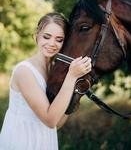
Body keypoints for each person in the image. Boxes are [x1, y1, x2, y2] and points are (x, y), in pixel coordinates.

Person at [0, 12, 92, 150]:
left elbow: (57, 123)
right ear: (36, 36)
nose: (52, 44)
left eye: (59, 39)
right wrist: (72, 77)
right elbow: (50, 120)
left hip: (45, 140)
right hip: (21, 140)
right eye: (46, 37)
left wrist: (77, 88)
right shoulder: (24, 71)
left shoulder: (56, 73)